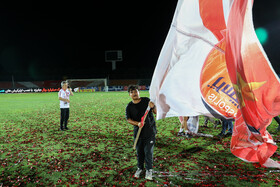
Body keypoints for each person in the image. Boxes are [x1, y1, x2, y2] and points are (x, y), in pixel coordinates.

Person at [125, 85, 157, 180]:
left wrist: (153, 106)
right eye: (131, 92)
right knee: (139, 152)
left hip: (150, 131)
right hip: (138, 133)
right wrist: (137, 123)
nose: (134, 93)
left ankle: (149, 170)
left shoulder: (146, 101)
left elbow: (156, 112)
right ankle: (140, 168)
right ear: (129, 95)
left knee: (148, 152)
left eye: (135, 91)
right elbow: (128, 119)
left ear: (139, 92)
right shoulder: (129, 106)